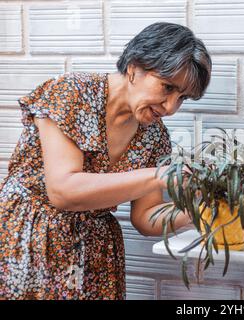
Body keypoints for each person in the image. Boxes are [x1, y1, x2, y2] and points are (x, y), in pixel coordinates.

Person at [0, 22, 212, 300]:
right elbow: (63, 191)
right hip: (29, 238)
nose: (171, 107)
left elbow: (145, 218)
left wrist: (203, 211)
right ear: (134, 68)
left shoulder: (154, 136)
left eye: (182, 97)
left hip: (94, 255)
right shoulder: (71, 93)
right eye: (167, 87)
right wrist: (159, 175)